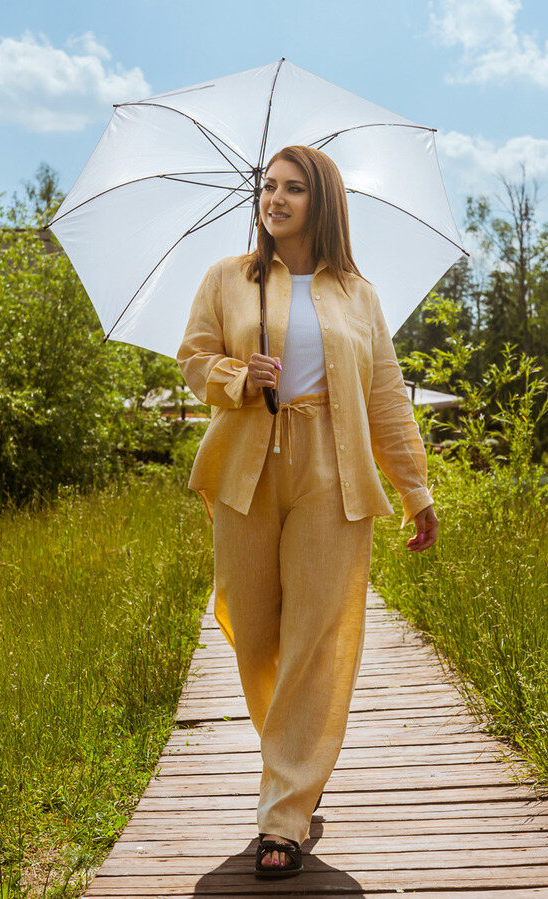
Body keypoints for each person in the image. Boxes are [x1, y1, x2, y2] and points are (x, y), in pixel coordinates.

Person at [176, 145, 439, 878]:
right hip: (247, 468)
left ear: (321, 202)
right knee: (250, 625)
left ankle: (285, 812)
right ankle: (293, 761)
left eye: (293, 188)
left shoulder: (358, 293)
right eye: (269, 186)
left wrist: (414, 488)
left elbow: (387, 398)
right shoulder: (229, 279)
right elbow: (193, 358)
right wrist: (237, 373)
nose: (277, 198)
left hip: (332, 466)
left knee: (315, 636)